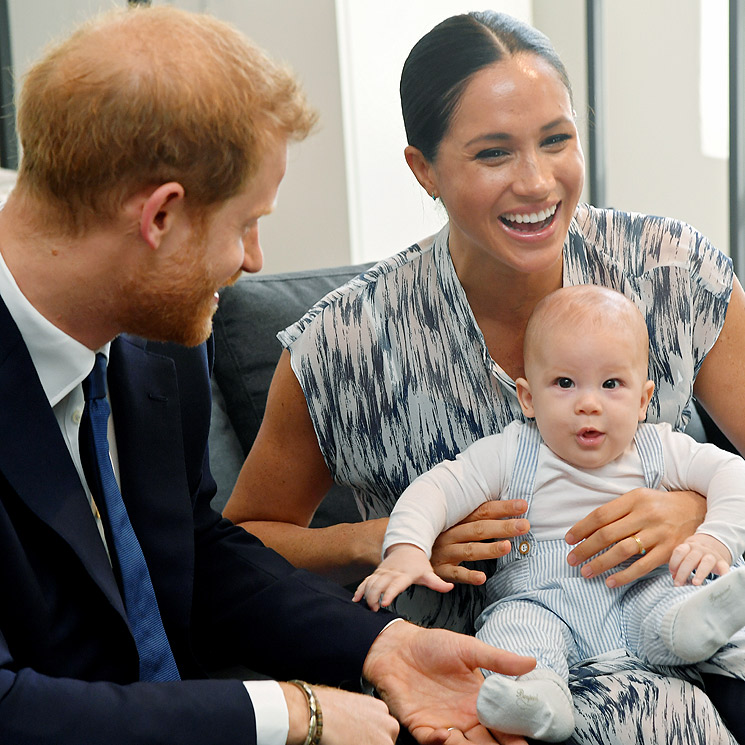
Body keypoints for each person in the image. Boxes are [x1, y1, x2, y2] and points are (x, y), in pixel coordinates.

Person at [0, 7, 542, 745]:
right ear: (160, 216)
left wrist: (378, 645)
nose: (253, 260)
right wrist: (291, 712)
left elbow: (197, 547)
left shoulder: (160, 345)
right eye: (246, 223)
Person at [223, 9, 745, 743]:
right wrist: (383, 539)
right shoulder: (345, 342)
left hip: (687, 660)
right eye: (493, 153)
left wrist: (698, 511)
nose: (536, 182)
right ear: (423, 169)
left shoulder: (670, 270)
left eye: (556, 140)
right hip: (471, 695)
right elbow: (241, 540)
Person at [355, 285, 745, 742]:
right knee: (514, 633)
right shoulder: (510, 451)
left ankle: (695, 627)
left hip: (641, 586)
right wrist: (406, 549)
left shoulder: (660, 447)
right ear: (527, 398)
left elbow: (732, 472)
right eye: (564, 383)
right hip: (543, 600)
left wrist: (715, 537)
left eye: (611, 384)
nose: (589, 403)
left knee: (678, 593)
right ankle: (540, 699)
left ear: (643, 400)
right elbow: (437, 488)